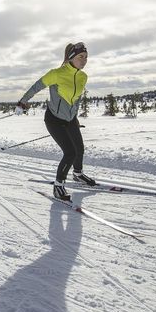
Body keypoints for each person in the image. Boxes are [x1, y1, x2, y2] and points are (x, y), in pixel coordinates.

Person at [16, 42, 95, 201]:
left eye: (86, 57)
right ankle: (58, 186)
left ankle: (78, 174)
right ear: (72, 57)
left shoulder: (83, 77)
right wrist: (22, 102)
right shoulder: (57, 73)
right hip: (54, 119)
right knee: (70, 152)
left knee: (79, 148)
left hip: (70, 119)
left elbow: (76, 100)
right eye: (81, 57)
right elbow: (36, 87)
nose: (84, 60)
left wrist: (75, 117)